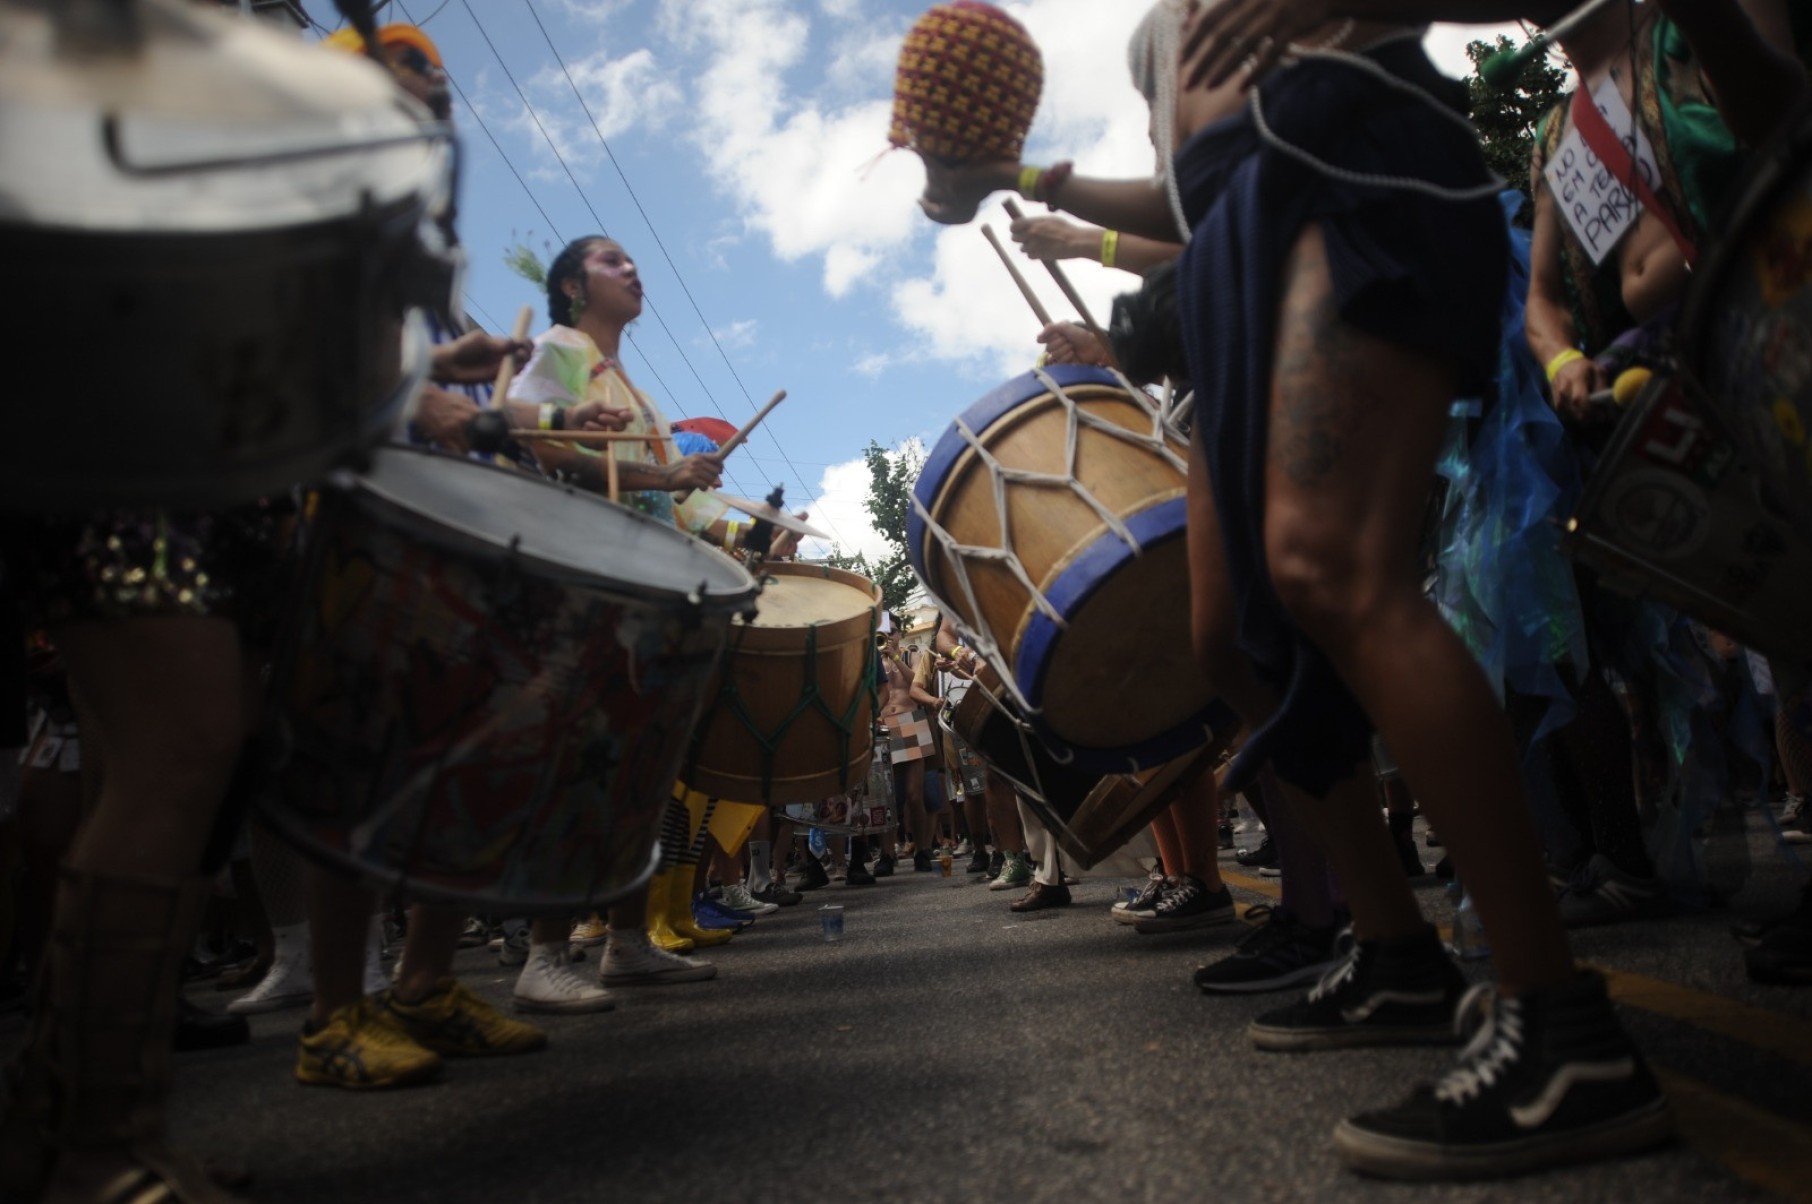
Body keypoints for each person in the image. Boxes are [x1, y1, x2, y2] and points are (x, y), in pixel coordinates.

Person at [914, 0, 1667, 1178]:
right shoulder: (1169, 40)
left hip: (1350, 163)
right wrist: (1006, 176)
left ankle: (1560, 1024)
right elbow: (1195, 192)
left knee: (1334, 569)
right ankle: (1395, 948)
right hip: (1249, 233)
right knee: (1235, 643)